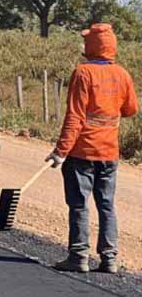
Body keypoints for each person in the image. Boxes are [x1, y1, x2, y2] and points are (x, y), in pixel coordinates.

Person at [46, 23, 138, 274]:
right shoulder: (123, 74)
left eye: (87, 42)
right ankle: (109, 259)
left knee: (79, 205)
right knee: (107, 205)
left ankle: (78, 257)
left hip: (82, 153)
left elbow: (74, 117)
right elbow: (130, 110)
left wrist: (60, 151)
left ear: (93, 46)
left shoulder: (83, 73)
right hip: (110, 153)